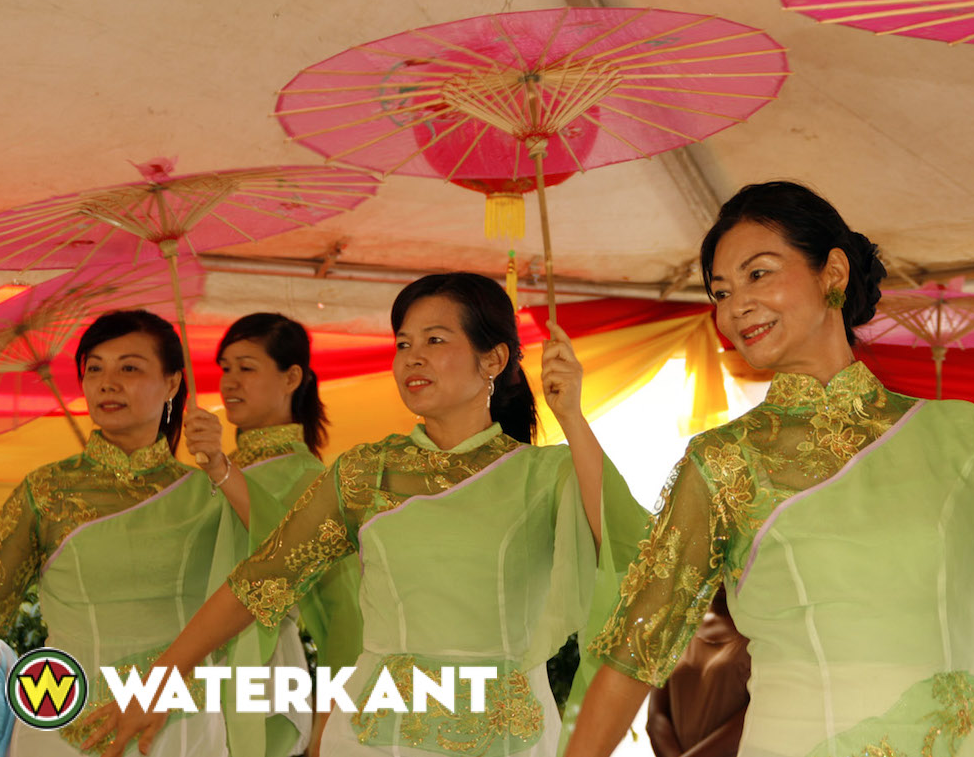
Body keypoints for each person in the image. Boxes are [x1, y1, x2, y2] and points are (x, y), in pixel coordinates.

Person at [563, 182, 974, 757]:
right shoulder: (723, 462)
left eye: (758, 273)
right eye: (721, 291)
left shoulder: (960, 436)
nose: (736, 305)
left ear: (833, 272)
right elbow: (635, 653)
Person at [85, 272, 648, 757]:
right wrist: (162, 677)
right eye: (404, 344)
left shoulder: (545, 473)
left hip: (502, 733)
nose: (414, 358)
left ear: (494, 358)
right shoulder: (365, 472)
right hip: (378, 731)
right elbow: (263, 579)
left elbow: (633, 554)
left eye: (435, 339)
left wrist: (573, 418)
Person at [0, 310, 243, 756]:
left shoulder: (209, 493)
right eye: (94, 368)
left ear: (173, 383)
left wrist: (219, 465)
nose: (106, 382)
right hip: (61, 712)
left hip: (176, 717)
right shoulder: (44, 491)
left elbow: (280, 564)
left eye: (129, 368)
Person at [185, 313, 362, 757]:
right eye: (224, 368)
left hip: (262, 686)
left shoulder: (312, 480)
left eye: (247, 367)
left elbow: (345, 617)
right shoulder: (215, 471)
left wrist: (328, 724)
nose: (229, 382)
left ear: (292, 377)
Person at [645, 586, 750, 757]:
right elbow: (656, 717)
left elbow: (749, 719)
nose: (723, 580)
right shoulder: (679, 628)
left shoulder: (757, 635)